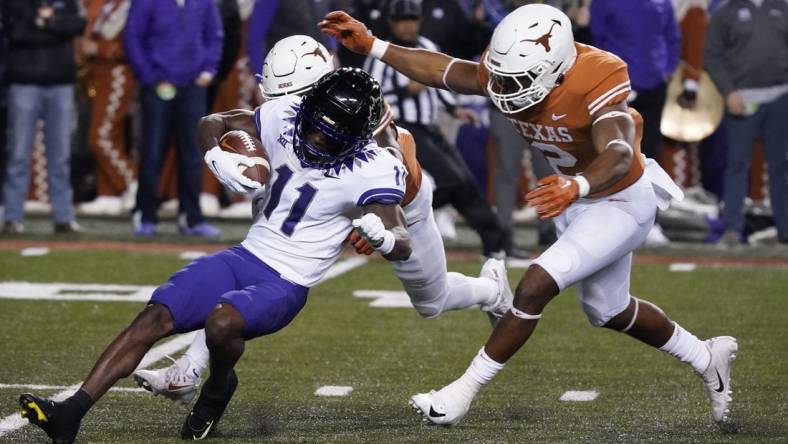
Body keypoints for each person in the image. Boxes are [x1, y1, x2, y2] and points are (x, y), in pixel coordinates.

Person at [320, 3, 737, 427]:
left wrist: (578, 185)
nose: (504, 87)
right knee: (608, 310)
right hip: (573, 196)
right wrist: (372, 44)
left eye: (517, 80)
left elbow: (619, 151)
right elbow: (446, 71)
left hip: (619, 199)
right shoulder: (515, 65)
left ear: (555, 67)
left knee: (536, 283)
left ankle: (461, 393)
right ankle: (706, 357)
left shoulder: (599, 73)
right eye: (501, 75)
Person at [19, 67, 413, 443]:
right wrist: (216, 156)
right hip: (244, 255)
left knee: (222, 322)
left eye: (331, 135)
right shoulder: (285, 113)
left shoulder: (374, 168)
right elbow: (213, 121)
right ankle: (69, 414)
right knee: (155, 315)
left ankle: (219, 384)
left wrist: (384, 238)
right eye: (314, 123)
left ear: (357, 136)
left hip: (288, 280)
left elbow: (401, 239)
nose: (315, 137)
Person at [132, 35, 513, 403]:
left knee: (431, 302)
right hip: (332, 193)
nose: (278, 106)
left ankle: (491, 291)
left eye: (288, 97)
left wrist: (374, 228)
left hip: (394, 204)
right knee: (257, 258)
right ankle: (188, 369)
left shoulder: (359, 109)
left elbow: (385, 172)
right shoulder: (297, 114)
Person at [366, 0, 519, 259]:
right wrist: (405, 91)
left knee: (466, 183)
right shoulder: (381, 56)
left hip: (429, 124)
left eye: (412, 19)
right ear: (391, 22)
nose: (407, 25)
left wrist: (453, 109)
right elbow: (371, 96)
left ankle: (496, 244)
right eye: (402, 20)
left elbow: (440, 86)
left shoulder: (427, 47)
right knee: (453, 181)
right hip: (400, 129)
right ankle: (386, 214)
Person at [123, 0, 223, 237]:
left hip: (193, 87)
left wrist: (208, 70)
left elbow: (215, 34)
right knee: (152, 153)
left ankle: (191, 217)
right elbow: (132, 37)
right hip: (158, 85)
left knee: (193, 155)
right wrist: (150, 77)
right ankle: (146, 215)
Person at [704, 0, 788, 245]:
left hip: (780, 97)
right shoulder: (726, 11)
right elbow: (712, 55)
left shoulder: (782, 8)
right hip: (742, 99)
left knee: (781, 166)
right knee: (737, 164)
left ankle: (785, 228)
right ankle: (732, 228)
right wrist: (728, 91)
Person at [1, 0, 85, 234]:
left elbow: (78, 24)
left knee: (60, 154)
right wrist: (54, 26)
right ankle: (11, 216)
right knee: (18, 153)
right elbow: (15, 32)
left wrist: (43, 23)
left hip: (60, 83)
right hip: (23, 81)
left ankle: (63, 217)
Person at [77, 0, 137, 217]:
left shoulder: (129, 5)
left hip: (118, 73)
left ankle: (131, 182)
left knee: (99, 136)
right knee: (112, 134)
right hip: (100, 73)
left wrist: (100, 48)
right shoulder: (107, 4)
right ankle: (109, 193)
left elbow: (137, 40)